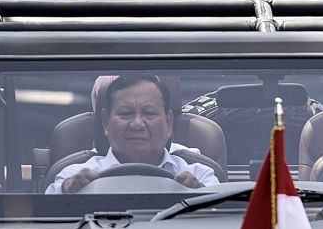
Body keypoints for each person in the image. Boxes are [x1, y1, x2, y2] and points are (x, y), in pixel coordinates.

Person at [46, 75, 219, 194]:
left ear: (169, 123)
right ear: (106, 121)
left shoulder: (201, 176)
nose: (137, 124)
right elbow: (44, 223)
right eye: (126, 113)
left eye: (149, 113)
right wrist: (68, 192)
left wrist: (200, 195)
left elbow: (221, 228)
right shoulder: (73, 177)